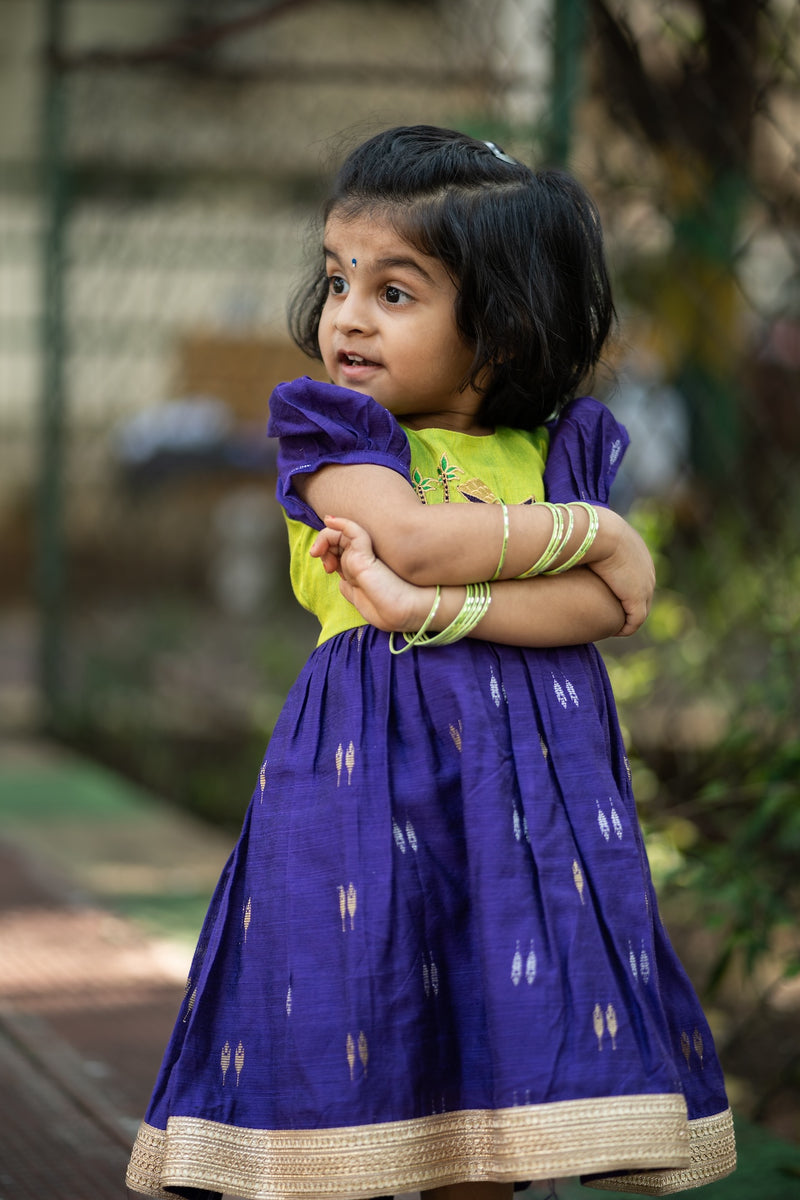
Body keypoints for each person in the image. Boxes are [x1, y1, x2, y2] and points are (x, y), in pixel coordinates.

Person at [127, 126, 735, 1200]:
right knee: (361, 1007)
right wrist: (594, 532)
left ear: (501, 330)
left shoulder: (561, 448)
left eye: (394, 291)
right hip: (370, 778)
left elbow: (607, 610)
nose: (346, 314)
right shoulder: (338, 436)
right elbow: (411, 540)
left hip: (530, 794)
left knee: (488, 1041)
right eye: (335, 279)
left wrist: (438, 606)